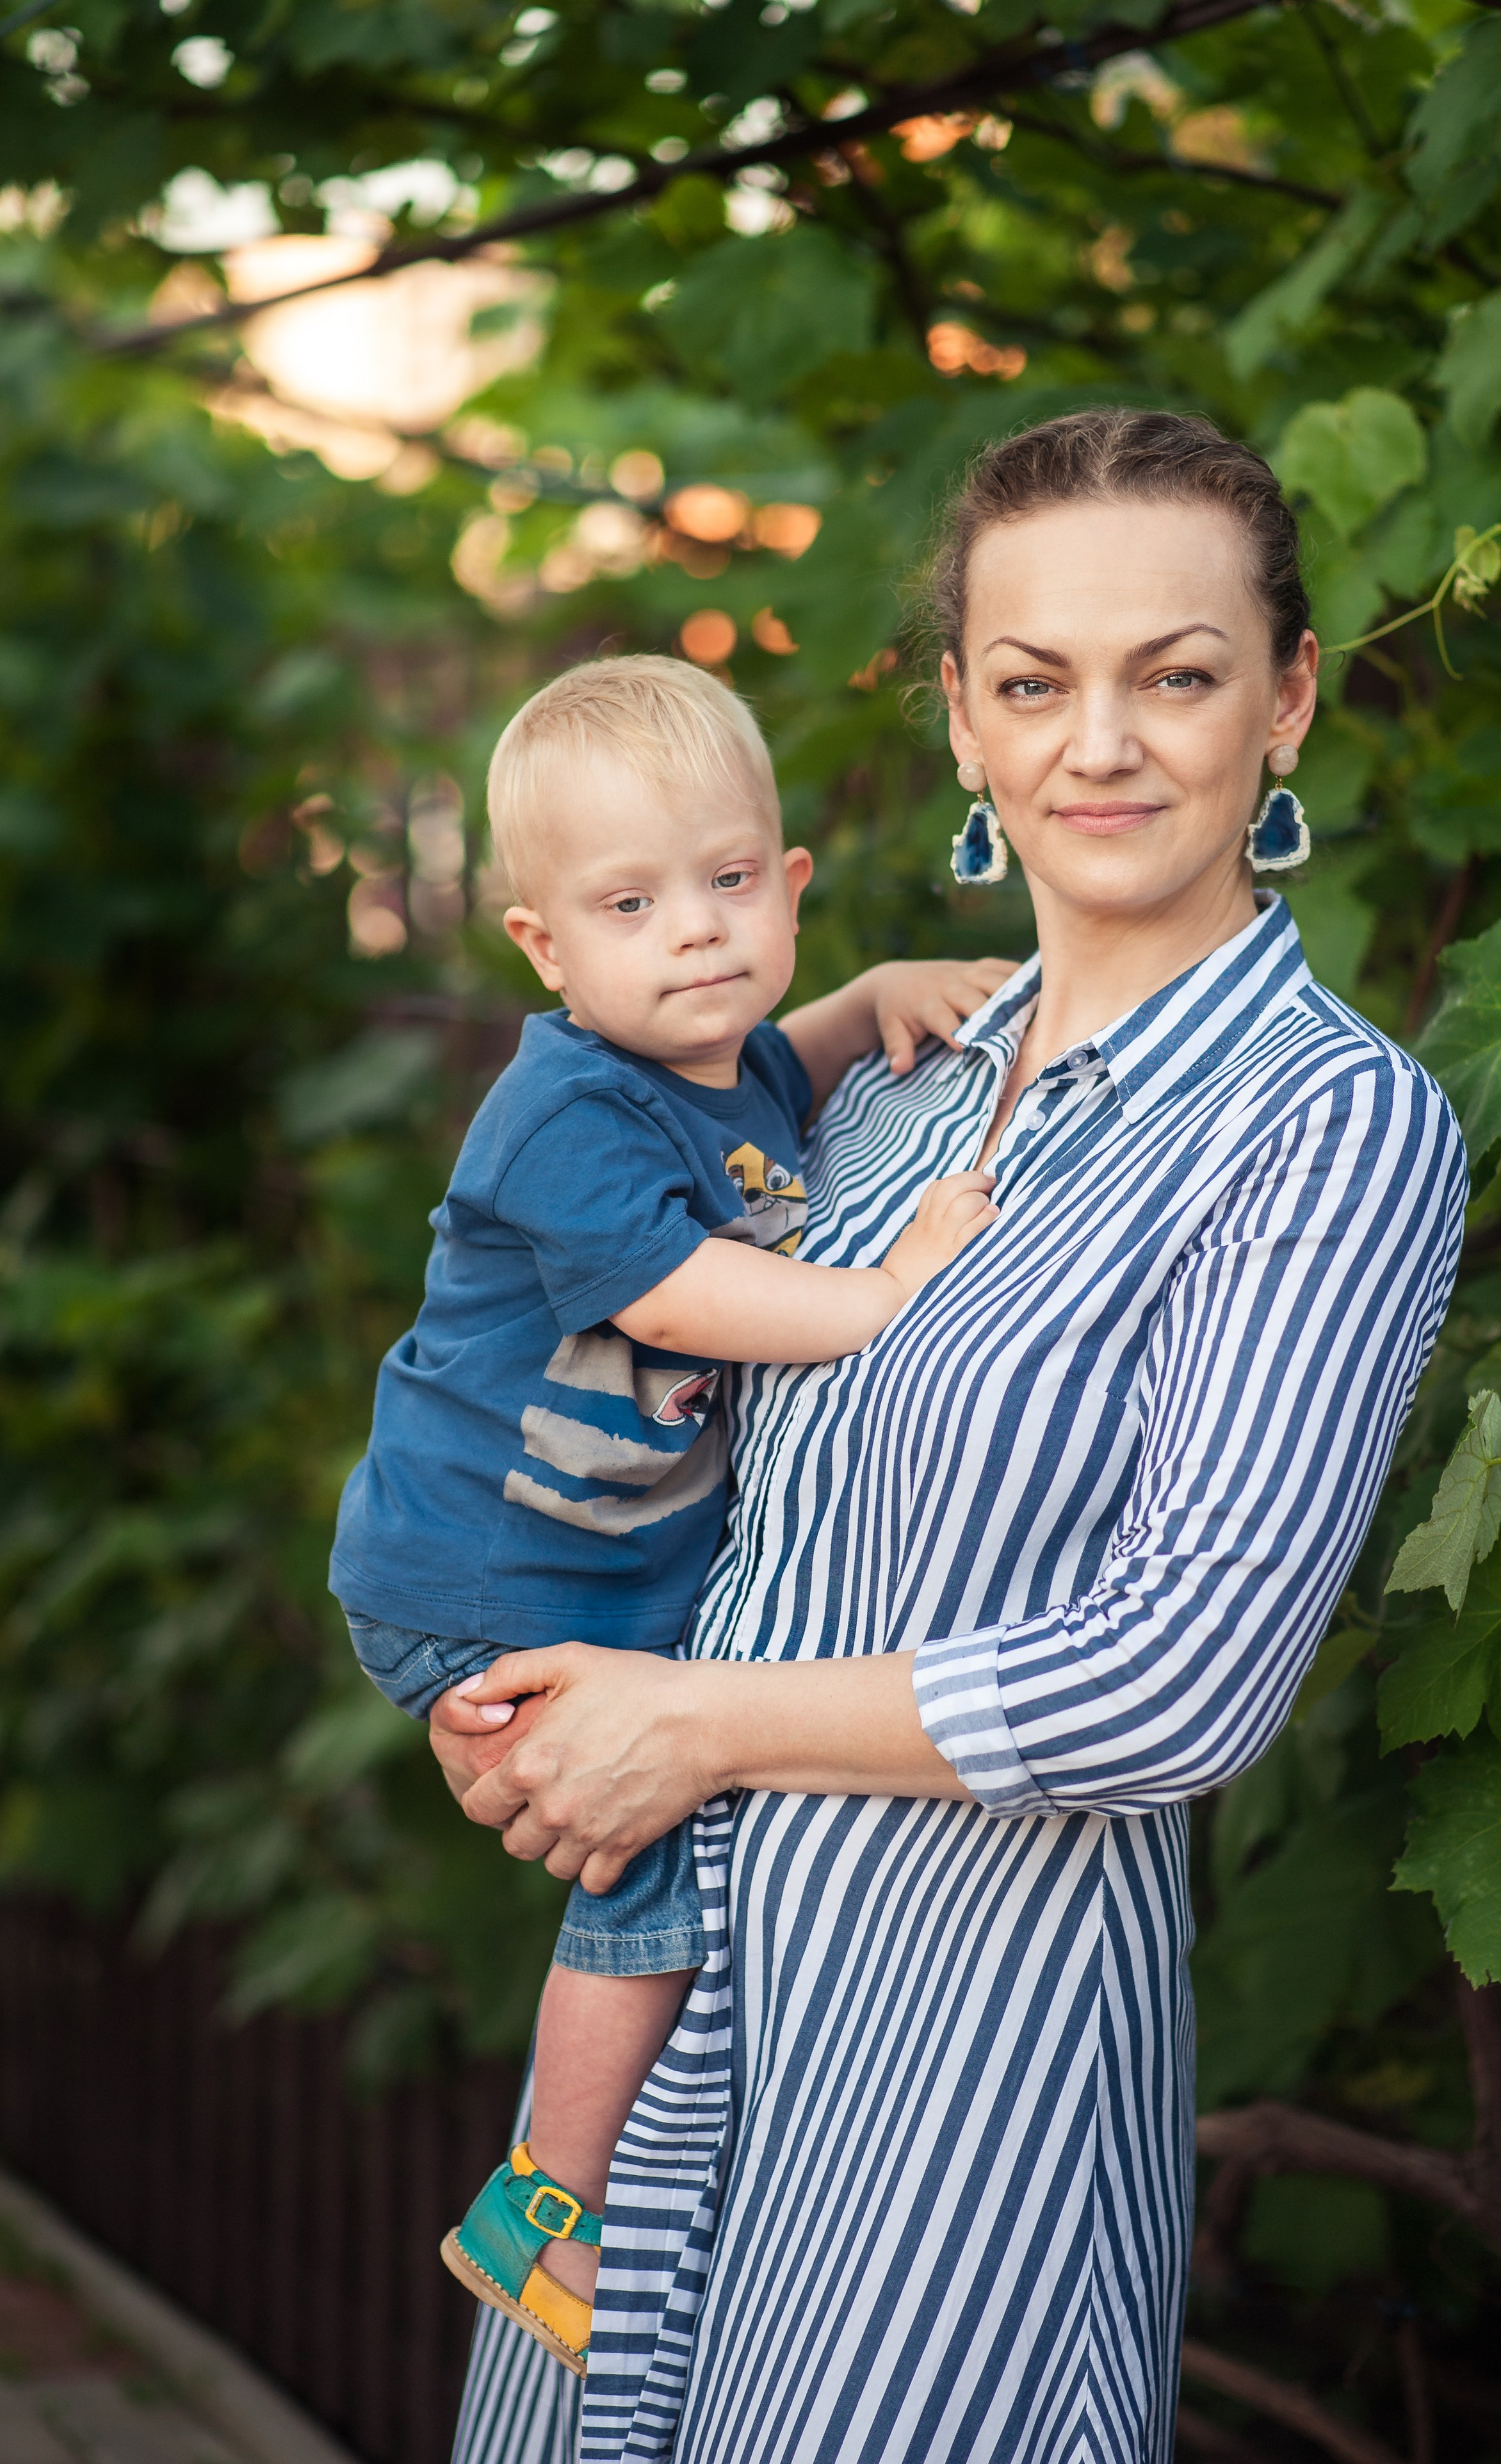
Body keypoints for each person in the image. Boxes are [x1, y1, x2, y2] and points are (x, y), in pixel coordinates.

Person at [435, 409, 1469, 2464]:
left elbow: (1183, 1677)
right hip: (674, 2008)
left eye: (1174, 675)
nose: (1101, 743)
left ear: (1287, 703)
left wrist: (690, 1724)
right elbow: (591, 1354)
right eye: (1033, 683)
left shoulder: (1327, 1125)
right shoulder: (883, 1089)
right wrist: (520, 1679)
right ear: (965, 730)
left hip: (962, 2057)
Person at [329, 654, 1007, 2376]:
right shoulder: (561, 1111)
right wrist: (882, 1295)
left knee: (637, 1849)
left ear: (784, 886)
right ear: (546, 949)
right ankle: (540, 2205)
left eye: (726, 883)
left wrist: (875, 995)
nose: (693, 932)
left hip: (568, 1561)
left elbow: (789, 1056)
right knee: (641, 1884)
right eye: (633, 903)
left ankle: (549, 2191)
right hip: (474, 1565)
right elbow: (689, 1293)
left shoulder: (728, 1063)